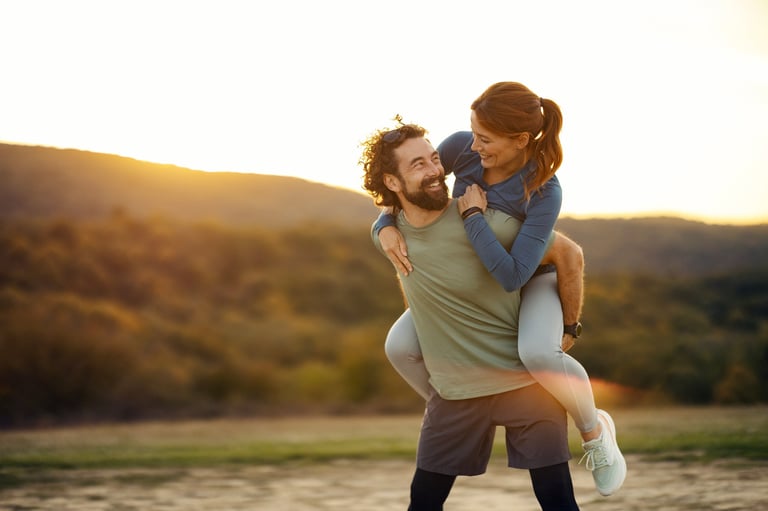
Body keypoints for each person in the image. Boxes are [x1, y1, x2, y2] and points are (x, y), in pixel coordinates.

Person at [373, 83, 625, 497]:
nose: (472, 146)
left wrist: (473, 216)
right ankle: (458, 402)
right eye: (472, 133)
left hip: (530, 281)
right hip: (473, 285)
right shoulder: (463, 149)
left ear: (520, 140)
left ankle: (594, 430)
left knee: (538, 353)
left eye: (485, 139)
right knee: (399, 346)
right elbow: (411, 189)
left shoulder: (544, 189)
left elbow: (514, 275)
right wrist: (383, 225)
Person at [361, 122, 580, 510]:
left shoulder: (484, 220)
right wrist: (381, 226)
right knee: (423, 505)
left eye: (434, 159)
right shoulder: (393, 236)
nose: (433, 170)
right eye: (417, 165)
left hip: (526, 385)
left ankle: (596, 429)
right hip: (455, 396)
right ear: (392, 183)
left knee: (559, 504)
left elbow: (568, 256)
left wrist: (568, 328)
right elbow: (389, 229)